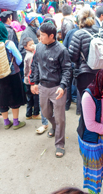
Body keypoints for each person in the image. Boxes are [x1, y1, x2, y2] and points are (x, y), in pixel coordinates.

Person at [31, 22, 72, 158]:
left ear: (51, 36)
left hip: (57, 88)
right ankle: (54, 126)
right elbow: (36, 65)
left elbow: (67, 70)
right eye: (40, 35)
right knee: (46, 113)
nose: (40, 37)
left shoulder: (61, 50)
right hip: (43, 86)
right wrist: (35, 82)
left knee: (60, 118)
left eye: (43, 35)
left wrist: (62, 86)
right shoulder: (39, 47)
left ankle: (59, 144)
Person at [69, 8, 103, 116]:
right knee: (101, 101)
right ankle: (100, 126)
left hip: (85, 74)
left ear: (80, 20)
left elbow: (72, 57)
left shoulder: (78, 34)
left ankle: (86, 128)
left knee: (86, 104)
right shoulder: (102, 31)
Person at [0, 21, 26, 130]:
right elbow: (20, 59)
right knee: (15, 97)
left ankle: (6, 122)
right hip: (12, 74)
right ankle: (16, 123)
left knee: (3, 98)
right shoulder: (9, 43)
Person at [21, 37, 43, 120]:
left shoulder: (28, 54)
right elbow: (32, 70)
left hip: (27, 80)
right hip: (31, 81)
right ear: (25, 47)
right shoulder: (31, 56)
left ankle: (28, 114)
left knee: (29, 98)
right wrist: (33, 81)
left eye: (33, 43)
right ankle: (36, 114)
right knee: (36, 97)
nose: (33, 46)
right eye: (30, 45)